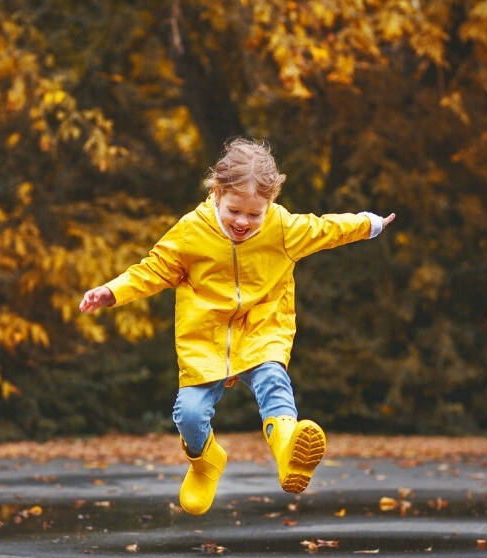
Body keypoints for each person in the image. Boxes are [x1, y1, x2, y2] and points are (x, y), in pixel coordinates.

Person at [79, 138, 395, 514]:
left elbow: (326, 229)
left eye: (254, 214)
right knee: (190, 415)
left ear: (271, 204)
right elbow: (153, 270)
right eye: (234, 211)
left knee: (273, 380)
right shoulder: (190, 232)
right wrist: (111, 292)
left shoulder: (281, 228)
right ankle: (205, 462)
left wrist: (370, 223)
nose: (243, 222)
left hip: (263, 328)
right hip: (205, 338)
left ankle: (288, 451)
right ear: (216, 193)